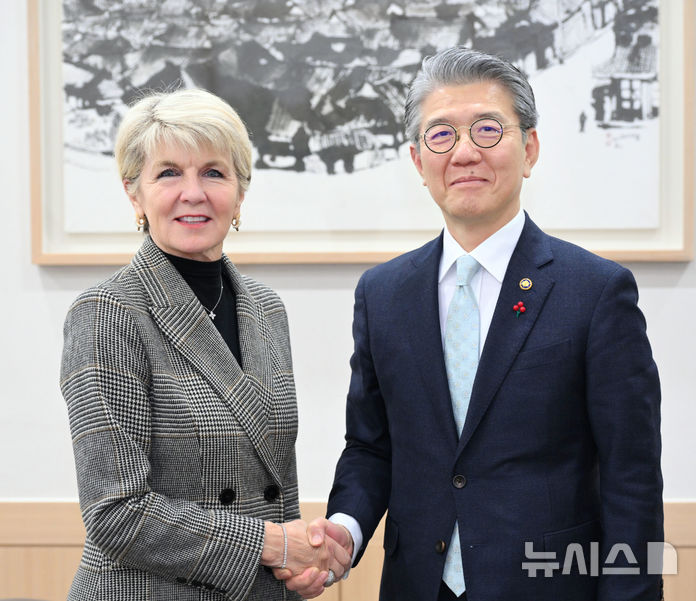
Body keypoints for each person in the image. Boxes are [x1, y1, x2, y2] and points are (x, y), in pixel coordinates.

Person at [284, 47, 664, 600]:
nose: (464, 153)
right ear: (418, 161)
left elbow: (633, 479)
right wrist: (344, 529)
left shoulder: (596, 291)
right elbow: (371, 447)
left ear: (529, 149)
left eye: (488, 129)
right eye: (441, 135)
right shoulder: (383, 294)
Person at [60, 88, 350, 600]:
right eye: (169, 172)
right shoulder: (107, 313)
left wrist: (299, 566)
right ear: (134, 193)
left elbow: (273, 478)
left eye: (214, 172)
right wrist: (273, 545)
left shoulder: (266, 310)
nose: (193, 192)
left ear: (240, 193)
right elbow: (115, 512)